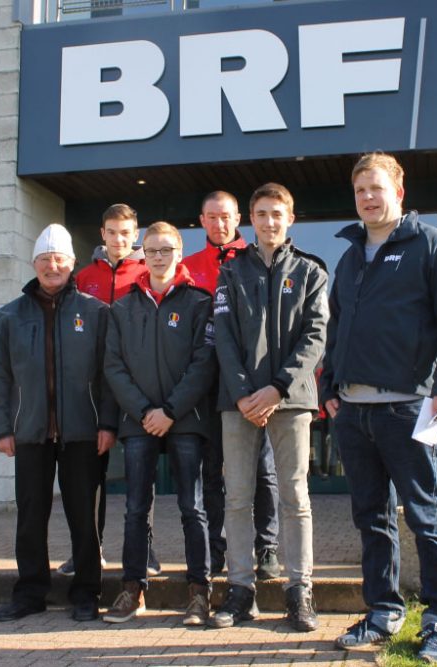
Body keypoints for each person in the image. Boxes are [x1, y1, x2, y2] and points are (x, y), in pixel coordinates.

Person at [321, 153, 437, 663]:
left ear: (398, 192)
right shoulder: (350, 257)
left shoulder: (430, 246)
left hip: (413, 409)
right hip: (355, 413)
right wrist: (331, 390)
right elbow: (336, 330)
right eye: (360, 189)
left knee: (426, 515)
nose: (368, 196)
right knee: (371, 517)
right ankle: (383, 610)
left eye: (377, 187)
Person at [0, 223, 117, 623]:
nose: (52, 266)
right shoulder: (10, 316)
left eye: (59, 259)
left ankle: (86, 593)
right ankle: (29, 593)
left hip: (84, 432)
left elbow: (109, 374)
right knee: (30, 515)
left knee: (84, 519)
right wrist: (1, 428)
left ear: (72, 264)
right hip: (29, 434)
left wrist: (107, 423)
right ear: (34, 265)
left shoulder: (96, 313)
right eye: (45, 260)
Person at [209, 183, 328, 632]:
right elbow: (223, 335)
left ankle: (300, 592)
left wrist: (276, 389)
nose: (269, 221)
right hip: (237, 404)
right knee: (237, 498)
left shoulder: (312, 272)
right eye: (261, 214)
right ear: (250, 220)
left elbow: (315, 337)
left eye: (277, 213)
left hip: (291, 401)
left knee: (295, 497)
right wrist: (244, 393)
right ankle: (240, 592)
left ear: (290, 218)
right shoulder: (231, 273)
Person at [103, 222, 216, 626]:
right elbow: (113, 367)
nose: (158, 257)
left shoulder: (200, 303)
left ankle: (199, 592)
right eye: (151, 250)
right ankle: (132, 589)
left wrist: (169, 410)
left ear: (180, 252)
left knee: (193, 507)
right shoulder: (121, 307)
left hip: (186, 420)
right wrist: (143, 411)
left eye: (166, 249)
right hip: (138, 423)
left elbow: (204, 364)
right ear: (141, 254)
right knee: (135, 509)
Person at [183, 191, 281, 579]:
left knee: (264, 470)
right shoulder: (188, 267)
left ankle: (268, 547)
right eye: (211, 217)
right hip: (207, 388)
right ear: (202, 221)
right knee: (213, 473)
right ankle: (217, 548)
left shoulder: (255, 260)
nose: (219, 224)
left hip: (253, 384)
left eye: (225, 216)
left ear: (238, 217)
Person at [66, 204, 162, 578]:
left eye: (125, 232)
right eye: (111, 232)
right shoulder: (83, 276)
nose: (119, 239)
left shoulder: (147, 271)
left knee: (142, 476)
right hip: (94, 390)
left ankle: (146, 552)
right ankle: (88, 550)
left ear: (135, 234)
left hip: (136, 388)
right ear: (102, 233)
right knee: (90, 477)